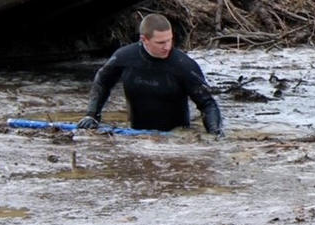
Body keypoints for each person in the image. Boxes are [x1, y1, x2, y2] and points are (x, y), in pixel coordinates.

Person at [77, 14, 223, 135]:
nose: (167, 46)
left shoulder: (184, 65)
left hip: (175, 139)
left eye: (169, 40)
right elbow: (102, 81)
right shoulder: (125, 57)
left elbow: (208, 104)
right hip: (135, 135)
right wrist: (92, 115)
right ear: (144, 40)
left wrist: (215, 133)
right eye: (160, 42)